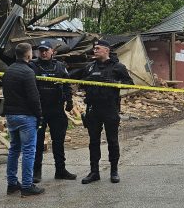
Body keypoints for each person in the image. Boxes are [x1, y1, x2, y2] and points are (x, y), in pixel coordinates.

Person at [79, 39, 134, 184]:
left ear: (106, 50)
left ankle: (114, 171)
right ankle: (94, 172)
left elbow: (130, 83)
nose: (95, 50)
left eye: (98, 48)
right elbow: (81, 84)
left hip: (110, 108)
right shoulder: (90, 67)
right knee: (93, 141)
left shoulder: (118, 67)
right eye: (94, 48)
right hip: (93, 109)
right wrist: (86, 83)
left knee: (112, 141)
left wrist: (116, 84)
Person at [2, 42, 44, 197]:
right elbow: (34, 97)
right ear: (28, 54)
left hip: (11, 115)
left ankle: (12, 184)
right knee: (28, 151)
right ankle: (27, 185)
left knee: (14, 149)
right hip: (26, 116)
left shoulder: (8, 70)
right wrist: (39, 115)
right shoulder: (28, 72)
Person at [30, 42, 76, 183]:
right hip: (39, 111)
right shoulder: (32, 66)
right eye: (41, 50)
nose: (43, 53)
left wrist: (69, 101)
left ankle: (60, 170)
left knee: (58, 142)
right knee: (38, 142)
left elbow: (67, 84)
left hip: (57, 109)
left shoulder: (60, 66)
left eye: (46, 50)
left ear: (52, 51)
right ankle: (36, 172)